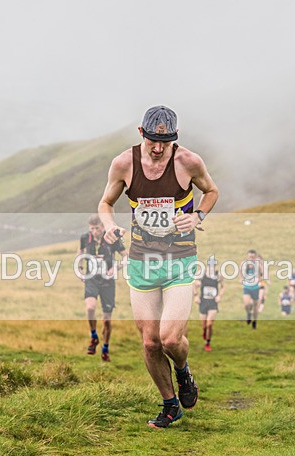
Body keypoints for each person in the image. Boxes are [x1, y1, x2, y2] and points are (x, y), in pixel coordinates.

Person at [98, 105, 219, 429]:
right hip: (141, 262)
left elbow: (211, 191)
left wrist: (197, 216)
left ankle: (182, 371)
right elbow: (105, 203)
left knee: (169, 339)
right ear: (141, 133)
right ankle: (170, 404)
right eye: (152, 140)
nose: (157, 148)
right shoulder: (124, 164)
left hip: (179, 260)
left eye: (164, 142)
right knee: (150, 342)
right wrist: (109, 225)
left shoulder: (188, 162)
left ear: (174, 139)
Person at [77, 215, 128, 361]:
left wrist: (116, 267)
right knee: (90, 308)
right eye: (92, 228)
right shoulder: (84, 238)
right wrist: (80, 268)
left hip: (107, 281)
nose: (94, 231)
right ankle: (93, 337)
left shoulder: (112, 238)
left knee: (106, 320)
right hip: (91, 278)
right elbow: (79, 253)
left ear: (103, 226)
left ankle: (105, 348)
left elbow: (126, 256)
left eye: (97, 228)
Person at [193, 263, 224, 352]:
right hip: (203, 302)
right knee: (204, 325)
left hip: (213, 302)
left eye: (213, 266)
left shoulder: (218, 275)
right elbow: (193, 283)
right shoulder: (202, 274)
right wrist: (196, 295)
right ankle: (204, 331)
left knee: (209, 324)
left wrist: (219, 296)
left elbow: (223, 287)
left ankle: (207, 343)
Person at [240, 249, 263, 329]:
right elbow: (240, 273)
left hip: (255, 287)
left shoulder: (257, 265)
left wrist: (259, 279)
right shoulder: (244, 264)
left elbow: (261, 273)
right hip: (247, 287)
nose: (251, 258)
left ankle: (254, 321)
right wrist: (241, 279)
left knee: (255, 305)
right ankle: (248, 314)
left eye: (252, 257)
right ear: (247, 256)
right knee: (246, 304)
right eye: (250, 257)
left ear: (255, 257)